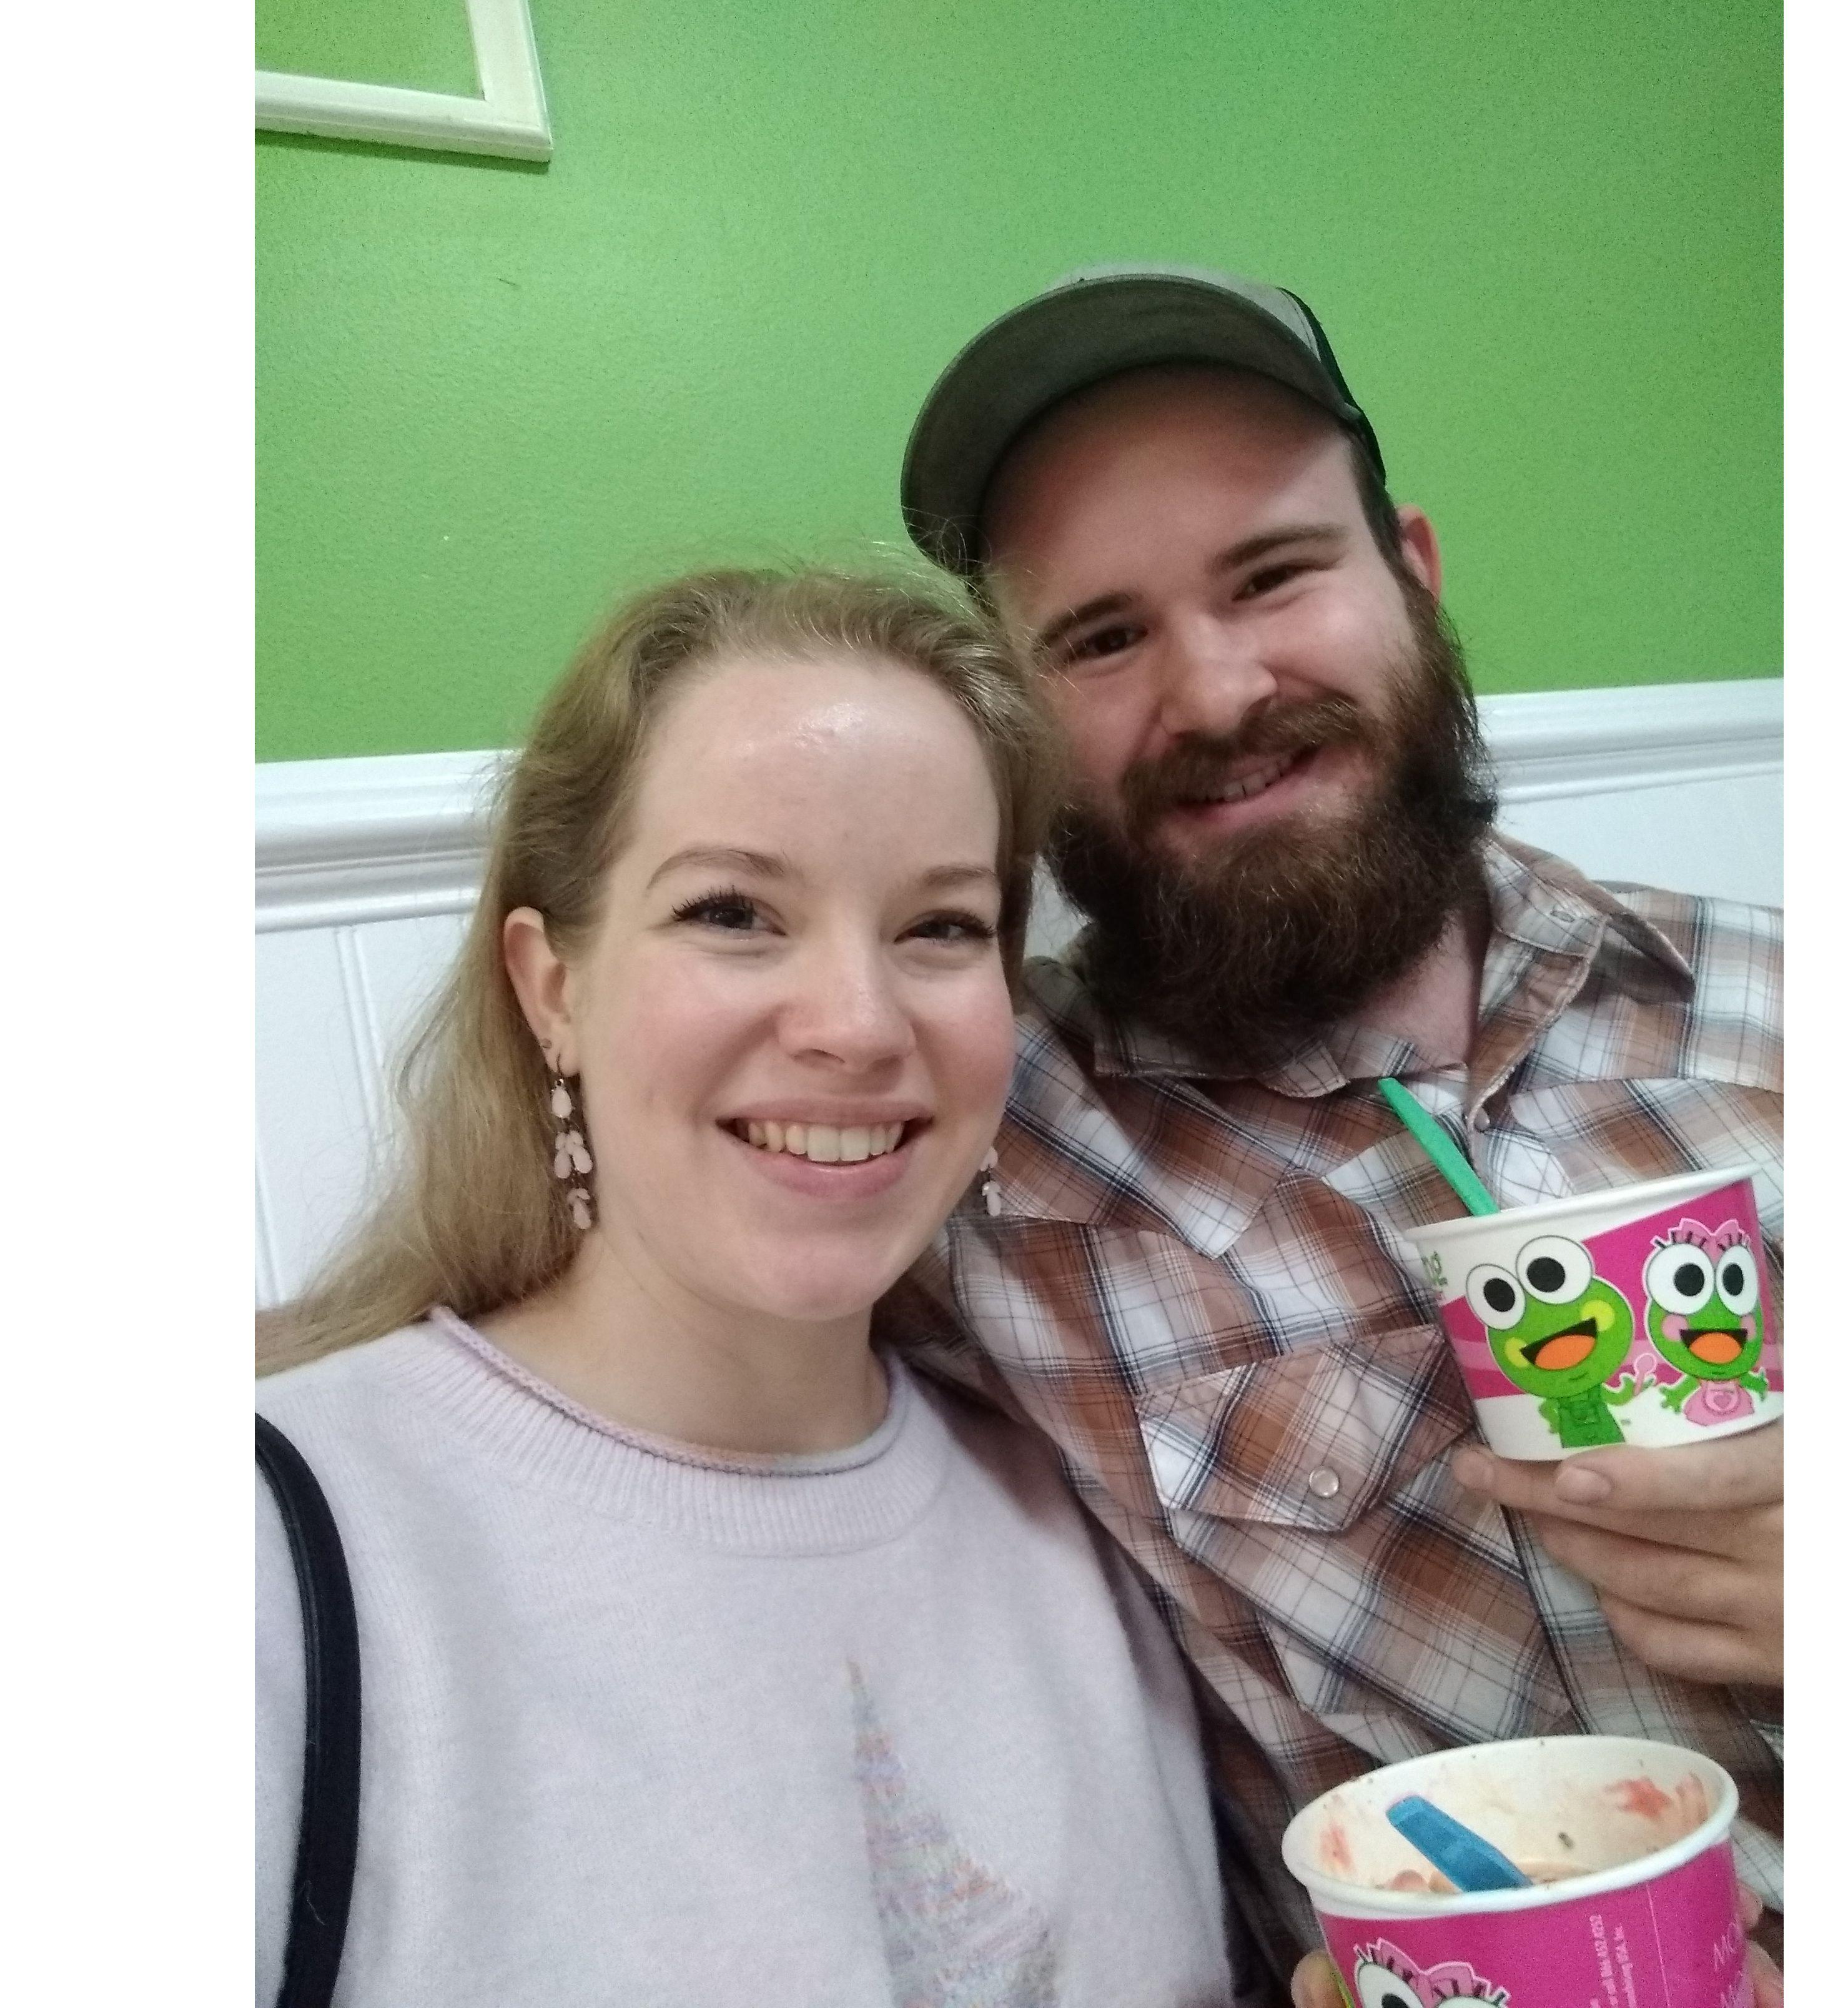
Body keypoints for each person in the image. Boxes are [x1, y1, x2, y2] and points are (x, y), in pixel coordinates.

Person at [888, 267, 1785, 1987]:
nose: (1218, 692)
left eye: (1275, 575)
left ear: (1414, 577)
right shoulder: (975, 1166)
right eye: (1102, 638)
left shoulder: (1787, 1009)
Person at [255, 570, 1250, 2006]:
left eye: (942, 927)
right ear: (551, 987)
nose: (856, 1025)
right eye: (733, 911)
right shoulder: (272, 1553)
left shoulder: (1078, 1506)